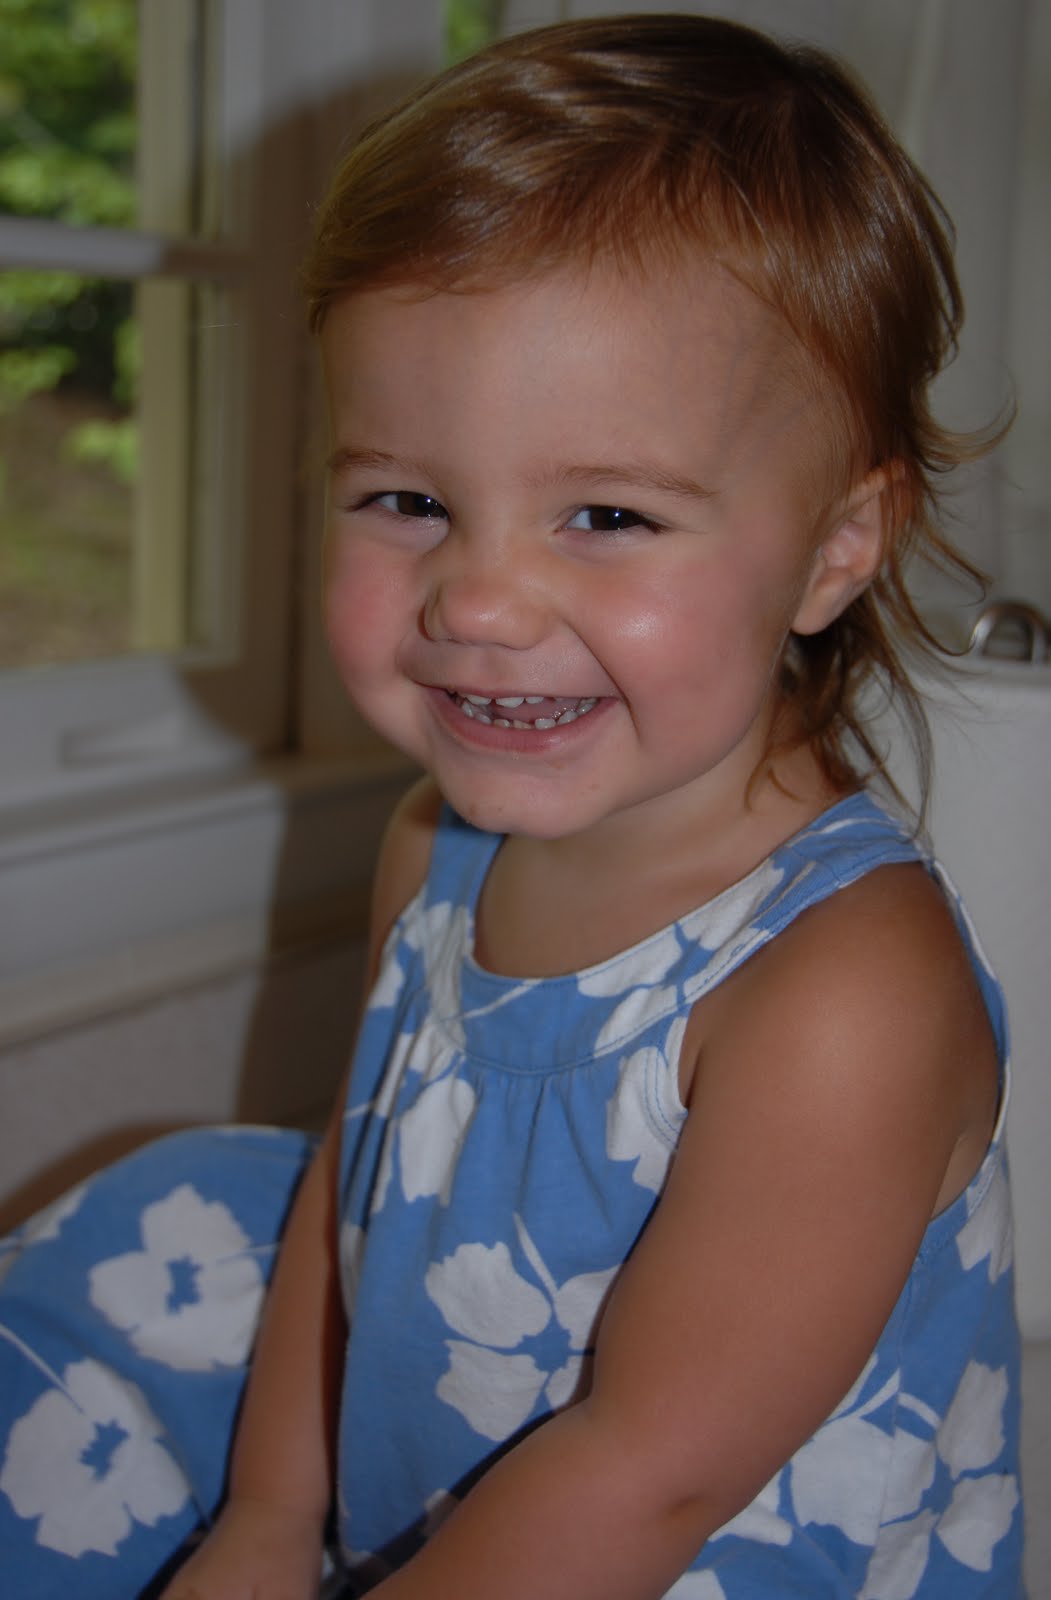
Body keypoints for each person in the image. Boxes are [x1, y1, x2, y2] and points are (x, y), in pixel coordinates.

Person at [0, 14, 1025, 1599]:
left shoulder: (841, 993)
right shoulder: (436, 846)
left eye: (605, 514)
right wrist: (268, 1517)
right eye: (408, 499)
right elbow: (352, 1200)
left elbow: (646, 1474)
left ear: (834, 549)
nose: (477, 599)